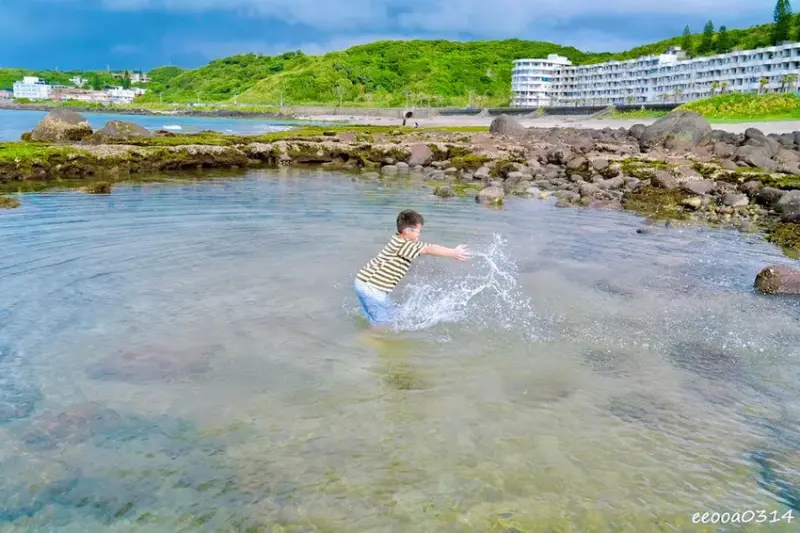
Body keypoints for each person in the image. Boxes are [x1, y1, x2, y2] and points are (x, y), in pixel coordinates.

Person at [354, 209, 470, 330]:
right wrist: (453, 253)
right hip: (371, 286)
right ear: (407, 231)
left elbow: (428, 246)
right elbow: (429, 250)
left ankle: (369, 335)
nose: (419, 234)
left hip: (366, 283)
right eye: (418, 231)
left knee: (387, 317)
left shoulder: (401, 240)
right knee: (383, 325)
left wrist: (451, 250)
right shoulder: (403, 245)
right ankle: (366, 343)